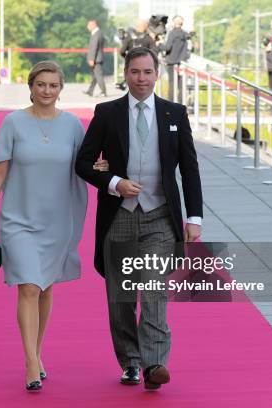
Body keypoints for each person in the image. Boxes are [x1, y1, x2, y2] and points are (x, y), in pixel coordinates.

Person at [0, 61, 108, 392]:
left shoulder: (74, 125)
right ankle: (31, 362)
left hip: (59, 219)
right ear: (31, 87)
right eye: (41, 84)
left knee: (46, 287)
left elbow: (84, 164)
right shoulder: (13, 123)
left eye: (53, 85)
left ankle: (37, 350)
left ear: (61, 89)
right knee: (29, 286)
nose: (46, 91)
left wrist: (101, 166)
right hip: (19, 218)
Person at [75, 47, 203, 390]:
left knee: (154, 289)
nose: (141, 79)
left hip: (161, 216)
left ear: (157, 74)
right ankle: (131, 361)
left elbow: (189, 169)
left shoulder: (174, 113)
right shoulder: (107, 113)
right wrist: (114, 183)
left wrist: (194, 217)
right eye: (135, 72)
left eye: (147, 72)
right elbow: (84, 162)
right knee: (121, 297)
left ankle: (155, 363)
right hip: (119, 217)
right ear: (126, 74)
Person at [156, 16, 190, 103]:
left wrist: (159, 44)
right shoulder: (186, 34)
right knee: (181, 85)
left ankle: (171, 104)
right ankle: (181, 103)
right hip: (182, 63)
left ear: (174, 23)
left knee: (172, 83)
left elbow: (167, 48)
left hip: (171, 62)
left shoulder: (172, 33)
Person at [83, 20, 107, 98]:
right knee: (95, 76)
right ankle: (90, 91)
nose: (88, 27)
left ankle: (103, 92)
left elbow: (94, 47)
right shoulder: (99, 33)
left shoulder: (96, 34)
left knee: (98, 75)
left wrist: (91, 59)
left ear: (94, 25)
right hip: (97, 58)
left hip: (96, 59)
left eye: (89, 25)